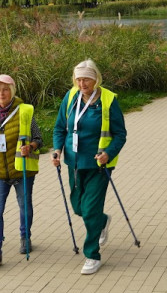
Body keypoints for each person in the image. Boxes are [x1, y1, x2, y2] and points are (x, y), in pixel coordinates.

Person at [51, 60, 127, 275]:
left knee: (90, 208)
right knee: (78, 207)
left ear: (96, 79)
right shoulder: (70, 97)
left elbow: (120, 134)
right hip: (74, 162)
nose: (82, 83)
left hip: (98, 165)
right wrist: (57, 150)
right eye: (78, 79)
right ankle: (103, 221)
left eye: (86, 79)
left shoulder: (108, 100)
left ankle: (92, 255)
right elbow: (59, 128)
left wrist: (108, 153)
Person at [0, 74, 43, 266]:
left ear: (11, 91)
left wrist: (31, 147)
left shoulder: (25, 111)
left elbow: (39, 138)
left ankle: (25, 237)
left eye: (5, 89)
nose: (1, 93)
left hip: (21, 169)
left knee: (24, 206)